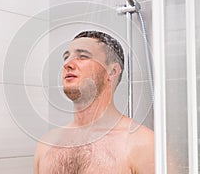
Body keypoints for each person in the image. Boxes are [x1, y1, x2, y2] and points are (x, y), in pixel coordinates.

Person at [34, 30, 154, 174]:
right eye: (66, 57)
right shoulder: (46, 144)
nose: (67, 64)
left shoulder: (143, 144)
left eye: (83, 56)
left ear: (112, 71)